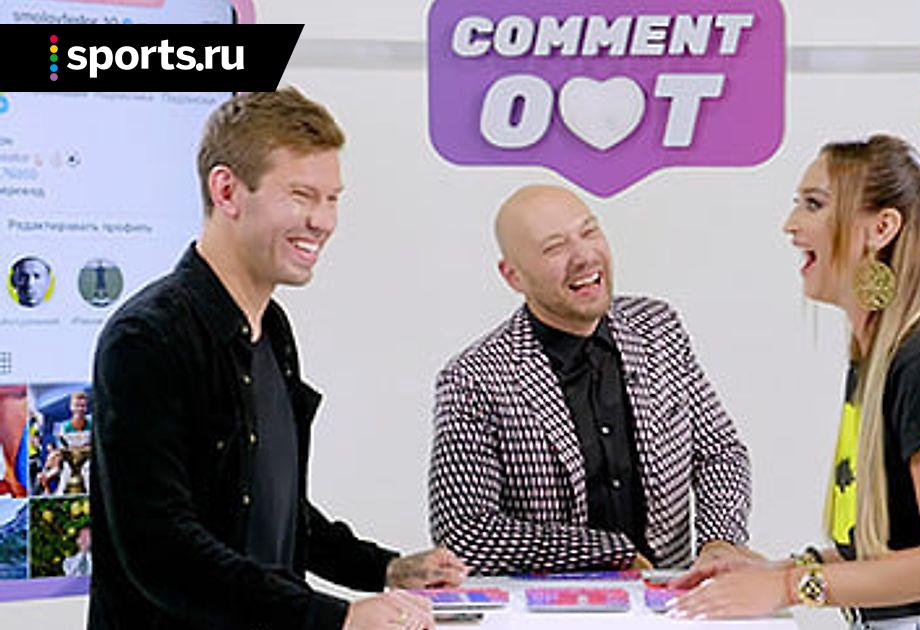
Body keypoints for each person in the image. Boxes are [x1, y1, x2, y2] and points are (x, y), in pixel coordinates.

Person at [89, 88, 466, 630]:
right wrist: (335, 618)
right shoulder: (147, 338)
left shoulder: (274, 331)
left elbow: (275, 509)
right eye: (301, 195)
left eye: (332, 199)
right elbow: (162, 551)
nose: (323, 221)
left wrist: (383, 569)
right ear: (226, 191)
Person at [669, 135, 920, 628]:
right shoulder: (882, 355)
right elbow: (891, 545)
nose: (791, 224)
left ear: (881, 228)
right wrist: (779, 570)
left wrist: (788, 588)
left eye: (814, 204)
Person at [428, 184, 753, 575]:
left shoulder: (658, 328)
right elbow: (464, 532)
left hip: (673, 598)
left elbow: (719, 452)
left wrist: (720, 542)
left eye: (589, 232)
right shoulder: (473, 378)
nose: (584, 257)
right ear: (513, 276)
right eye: (554, 247)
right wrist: (610, 554)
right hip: (547, 604)